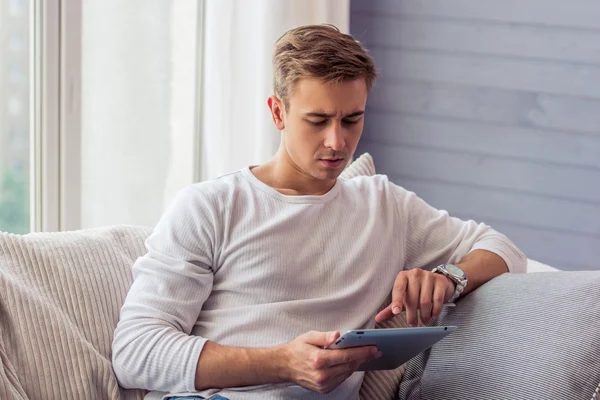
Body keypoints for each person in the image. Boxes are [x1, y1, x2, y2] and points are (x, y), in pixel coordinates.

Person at [112, 24, 527, 400]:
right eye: (318, 120)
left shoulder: (385, 206)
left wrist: (449, 277)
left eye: (352, 119)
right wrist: (282, 362)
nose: (336, 142)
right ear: (278, 112)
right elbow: (135, 351)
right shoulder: (211, 206)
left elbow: (503, 249)